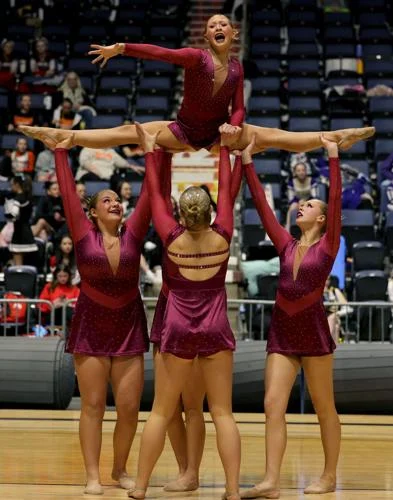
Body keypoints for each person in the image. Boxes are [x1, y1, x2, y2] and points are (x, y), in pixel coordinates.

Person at [19, 14, 374, 155]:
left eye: (224, 24)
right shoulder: (195, 57)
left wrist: (233, 128)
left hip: (220, 134)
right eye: (212, 24)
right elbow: (159, 53)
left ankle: (333, 138)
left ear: (233, 33)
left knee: (275, 137)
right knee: (130, 130)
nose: (218, 27)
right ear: (206, 35)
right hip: (184, 129)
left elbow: (238, 106)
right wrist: (123, 48)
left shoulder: (236, 68)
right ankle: (64, 136)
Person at [126, 124, 241, 500]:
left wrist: (152, 152)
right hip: (215, 324)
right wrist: (225, 150)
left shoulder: (171, 236)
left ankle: (140, 487)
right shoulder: (223, 233)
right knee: (222, 412)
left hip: (177, 325)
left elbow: (156, 196)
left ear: (181, 213)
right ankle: (233, 490)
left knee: (160, 410)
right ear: (209, 212)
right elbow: (228, 192)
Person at [52, 133, 154, 496]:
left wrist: (155, 154)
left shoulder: (134, 234)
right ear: (93, 212)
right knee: (93, 405)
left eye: (116, 199)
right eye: (106, 200)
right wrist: (61, 151)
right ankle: (92, 474)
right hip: (92, 326)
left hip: (128, 327)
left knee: (128, 408)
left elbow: (149, 195)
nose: (114, 203)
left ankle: (119, 467)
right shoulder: (82, 234)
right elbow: (68, 195)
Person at [240, 133, 342, 498]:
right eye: (302, 202)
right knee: (272, 404)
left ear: (323, 218)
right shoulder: (285, 244)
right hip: (282, 333)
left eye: (310, 204)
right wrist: (249, 162)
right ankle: (270, 480)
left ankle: (329, 476)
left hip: (313, 332)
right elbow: (265, 210)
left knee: (323, 406)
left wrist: (332, 156)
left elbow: (334, 200)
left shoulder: (329, 244)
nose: (302, 205)